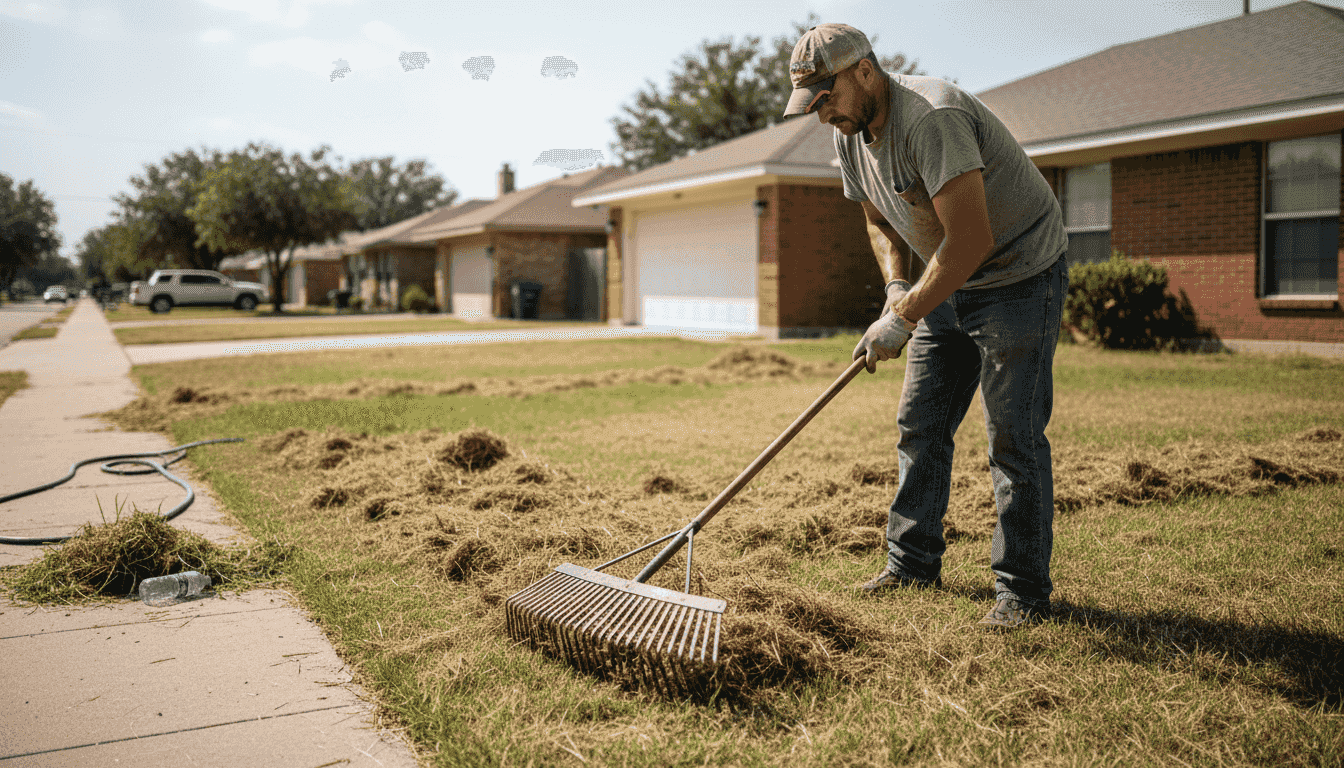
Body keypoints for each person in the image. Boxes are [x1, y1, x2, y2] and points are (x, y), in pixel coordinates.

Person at [783, 23, 1069, 629]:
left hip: (1017, 277)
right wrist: (895, 292)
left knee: (1013, 439)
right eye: (811, 104)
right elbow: (881, 222)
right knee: (921, 424)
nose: (821, 114)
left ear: (864, 71)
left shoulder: (930, 117)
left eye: (826, 97)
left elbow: (970, 241)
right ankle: (910, 564)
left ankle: (1022, 592)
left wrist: (906, 315)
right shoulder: (850, 133)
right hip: (941, 283)